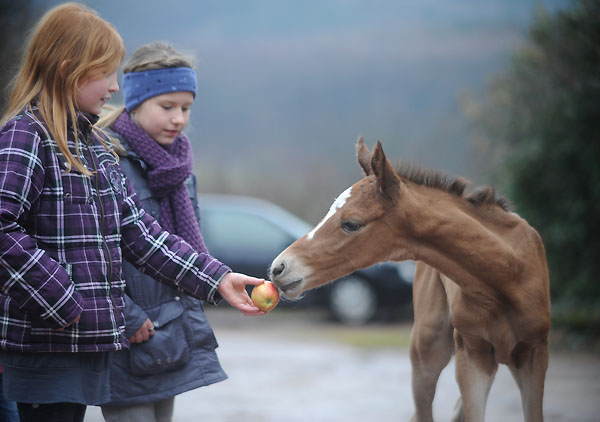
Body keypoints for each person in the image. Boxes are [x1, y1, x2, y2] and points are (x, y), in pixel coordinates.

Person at [0, 4, 265, 422]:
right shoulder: (25, 134)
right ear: (69, 70)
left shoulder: (96, 148)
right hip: (44, 349)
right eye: (105, 74)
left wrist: (216, 278)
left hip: (82, 349)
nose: (112, 88)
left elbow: (141, 235)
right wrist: (67, 301)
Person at [96, 41, 236, 422]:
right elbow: (93, 251)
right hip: (127, 333)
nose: (179, 119)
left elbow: (187, 249)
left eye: (186, 108)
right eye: (167, 106)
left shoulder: (178, 167)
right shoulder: (109, 161)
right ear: (136, 102)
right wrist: (124, 315)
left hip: (168, 331)